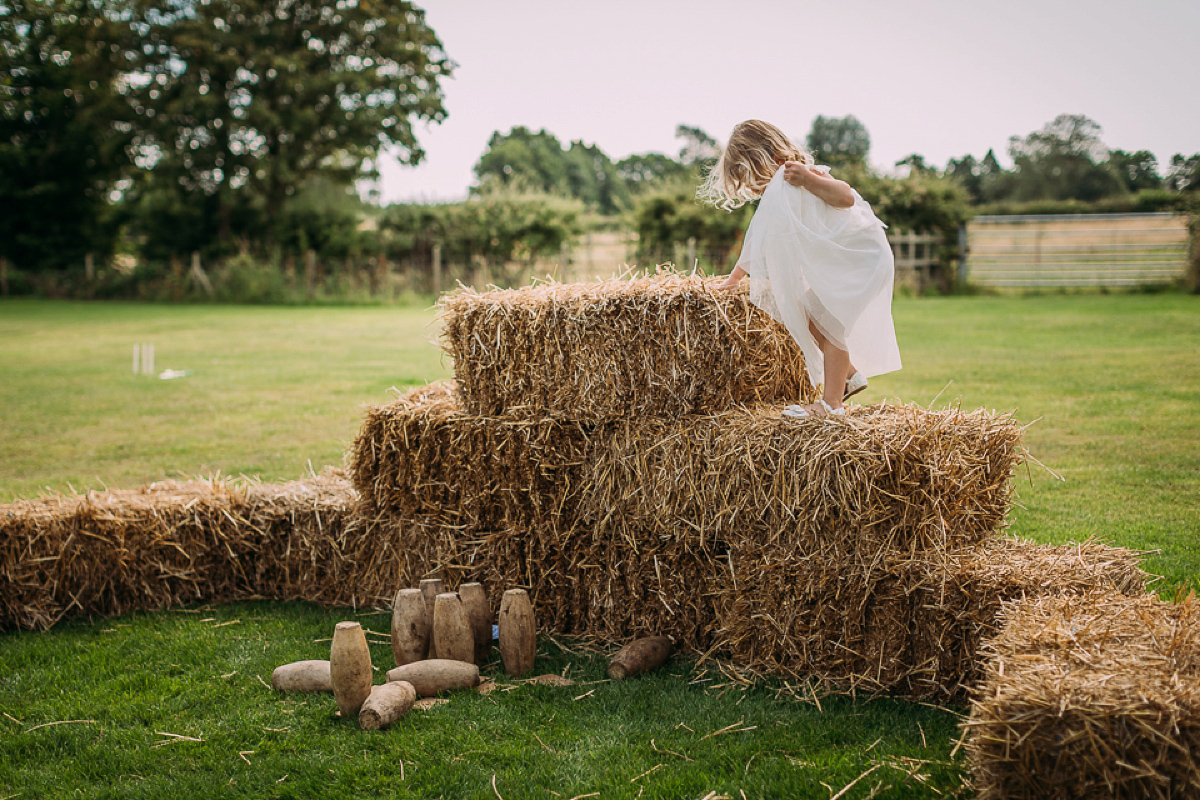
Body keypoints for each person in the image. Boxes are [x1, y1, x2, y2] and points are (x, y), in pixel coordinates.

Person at [697, 119, 901, 417]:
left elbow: (845, 197)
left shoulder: (799, 174)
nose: (751, 186)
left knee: (829, 324)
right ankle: (850, 375)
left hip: (861, 260)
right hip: (851, 262)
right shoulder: (779, 190)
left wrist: (808, 179)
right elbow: (759, 239)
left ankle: (832, 404)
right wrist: (733, 280)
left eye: (748, 173)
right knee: (812, 316)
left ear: (763, 158)